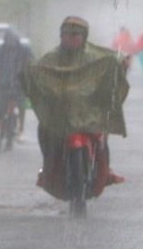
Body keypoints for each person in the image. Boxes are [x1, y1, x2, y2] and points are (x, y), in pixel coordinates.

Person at [22, 16, 128, 194]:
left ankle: (106, 171)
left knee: (102, 139)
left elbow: (113, 62)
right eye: (66, 34)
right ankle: (48, 170)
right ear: (61, 36)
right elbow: (38, 74)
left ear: (84, 36)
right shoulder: (51, 58)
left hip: (90, 112)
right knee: (44, 132)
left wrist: (122, 63)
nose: (71, 38)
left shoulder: (95, 57)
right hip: (61, 115)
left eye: (76, 34)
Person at [0, 29, 33, 137]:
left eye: (12, 40)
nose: (10, 43)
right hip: (3, 85)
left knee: (21, 105)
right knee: (0, 105)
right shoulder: (0, 51)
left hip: (19, 85)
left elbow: (32, 61)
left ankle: (21, 127)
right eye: (8, 40)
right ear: (5, 40)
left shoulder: (24, 50)